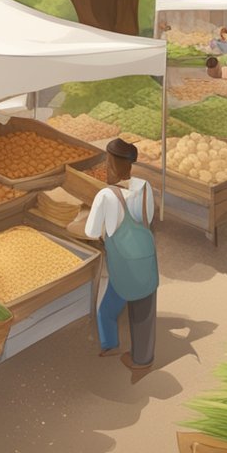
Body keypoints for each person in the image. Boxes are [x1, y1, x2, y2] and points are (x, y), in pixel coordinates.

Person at [73, 138, 158, 374]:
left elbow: (90, 231)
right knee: (144, 309)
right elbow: (147, 217)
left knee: (107, 308)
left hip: (124, 265)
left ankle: (111, 345)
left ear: (110, 163)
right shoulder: (145, 187)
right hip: (145, 258)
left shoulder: (105, 196)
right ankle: (144, 358)